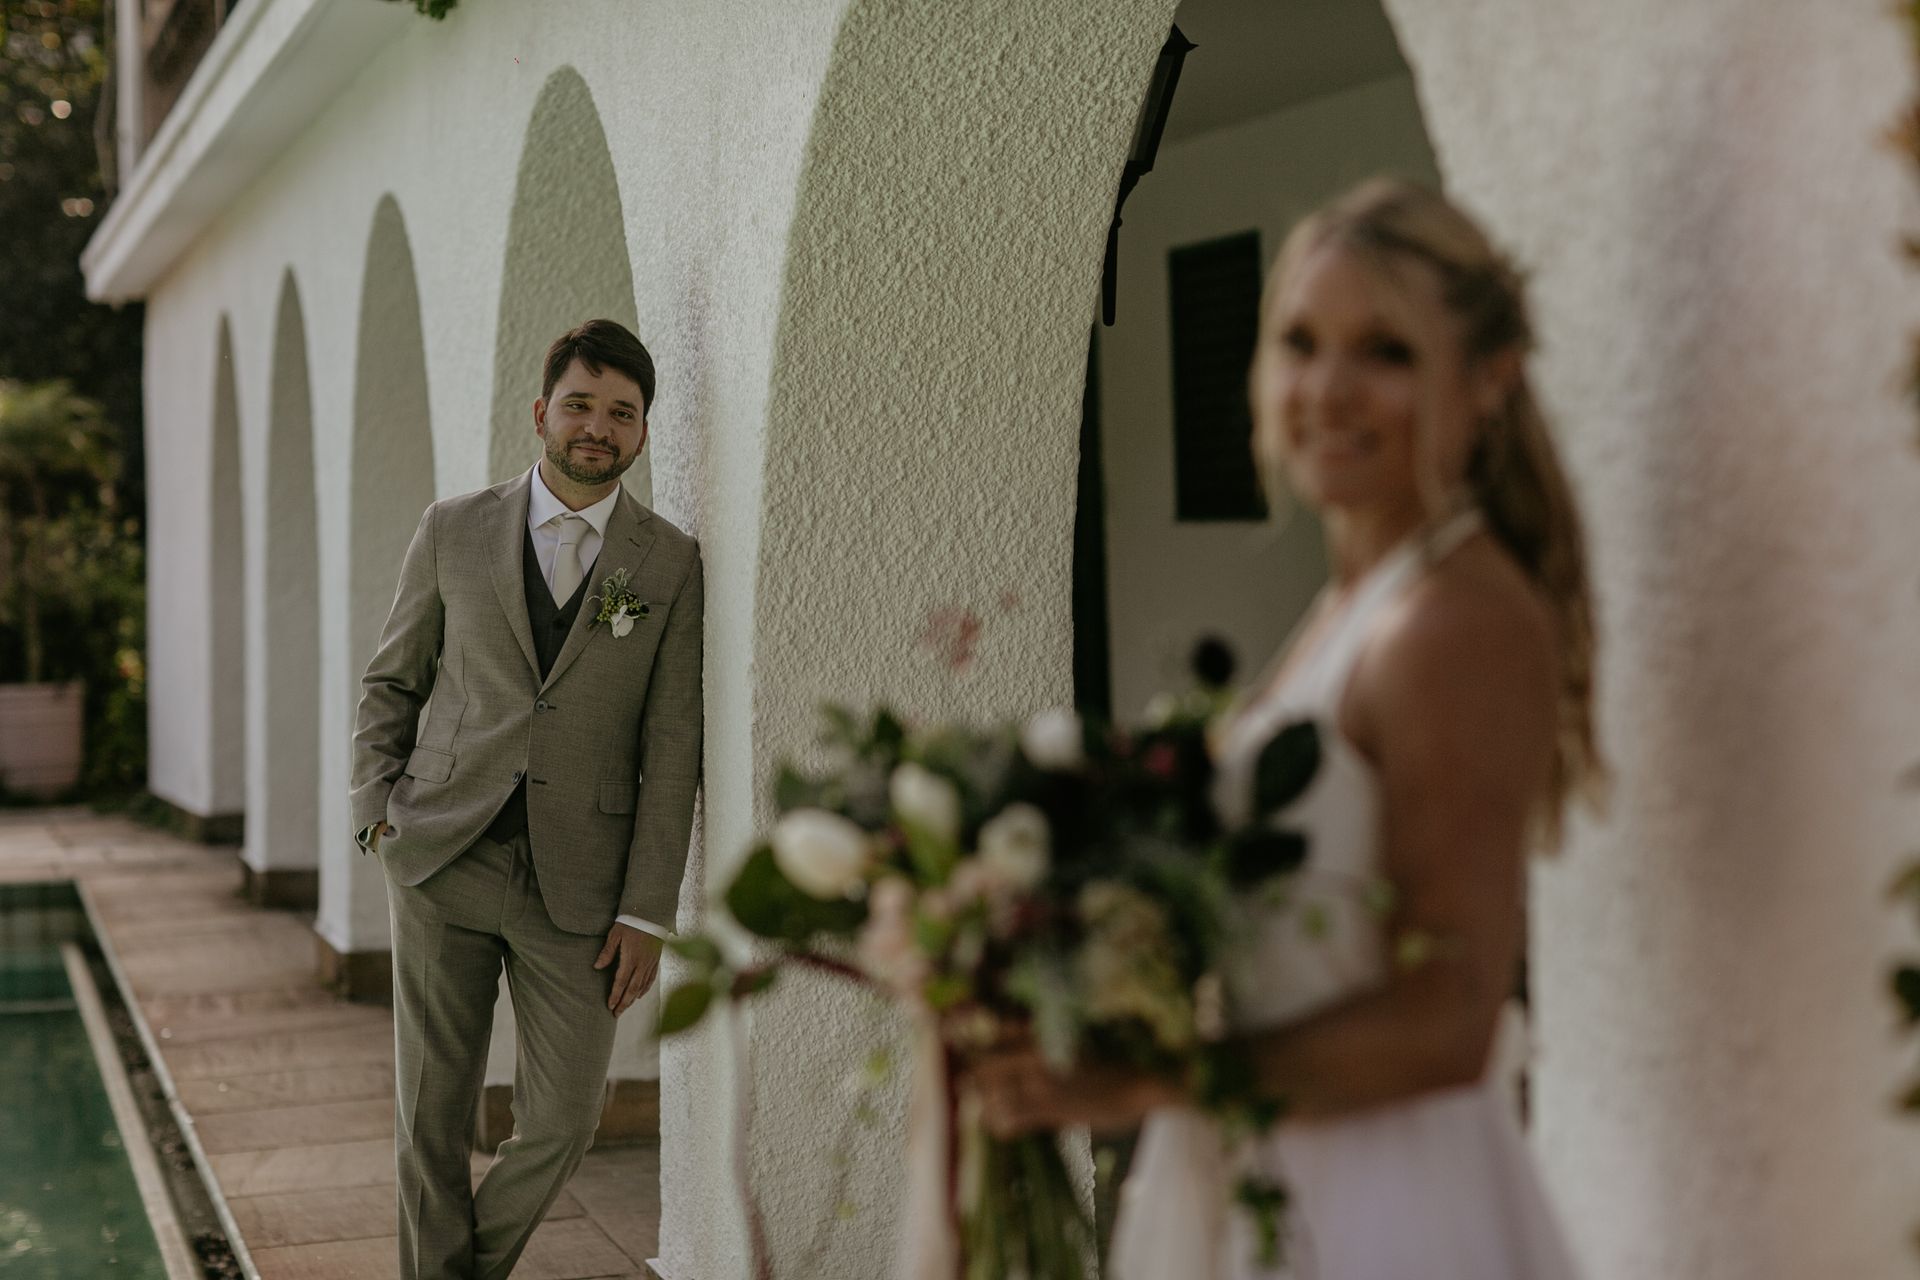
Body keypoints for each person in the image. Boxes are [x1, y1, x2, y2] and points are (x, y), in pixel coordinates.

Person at [972, 179, 1599, 1278]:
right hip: (1275, 1161)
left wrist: (1150, 1081)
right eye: (1299, 342)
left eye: (1387, 351)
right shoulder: (1354, 603)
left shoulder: (1454, 618)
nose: (1328, 388)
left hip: (1384, 1202)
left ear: (1490, 378)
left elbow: (1450, 1013)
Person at [350, 319, 704, 1280]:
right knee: (430, 1115)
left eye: (621, 414)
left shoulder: (668, 561)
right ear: (542, 411)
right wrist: (374, 808)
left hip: (582, 891)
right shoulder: (452, 528)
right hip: (438, 855)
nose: (599, 427)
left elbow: (673, 747)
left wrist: (647, 908)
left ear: (642, 432)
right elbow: (394, 681)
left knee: (563, 1120)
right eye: (581, 405)